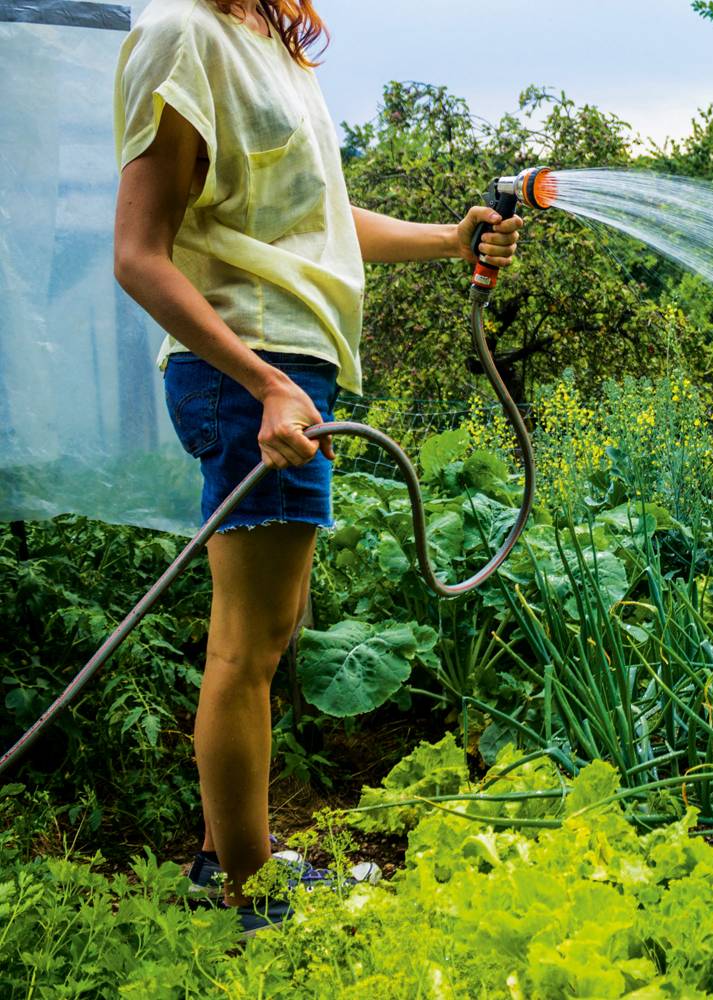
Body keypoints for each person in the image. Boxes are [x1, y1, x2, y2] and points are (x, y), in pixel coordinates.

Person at [111, 0, 522, 933]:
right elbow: (139, 255)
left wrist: (447, 239)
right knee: (248, 648)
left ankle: (227, 858)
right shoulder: (183, 30)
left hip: (286, 364)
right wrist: (263, 384)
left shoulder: (272, 47)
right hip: (250, 364)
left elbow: (319, 225)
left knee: (256, 631)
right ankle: (252, 899)